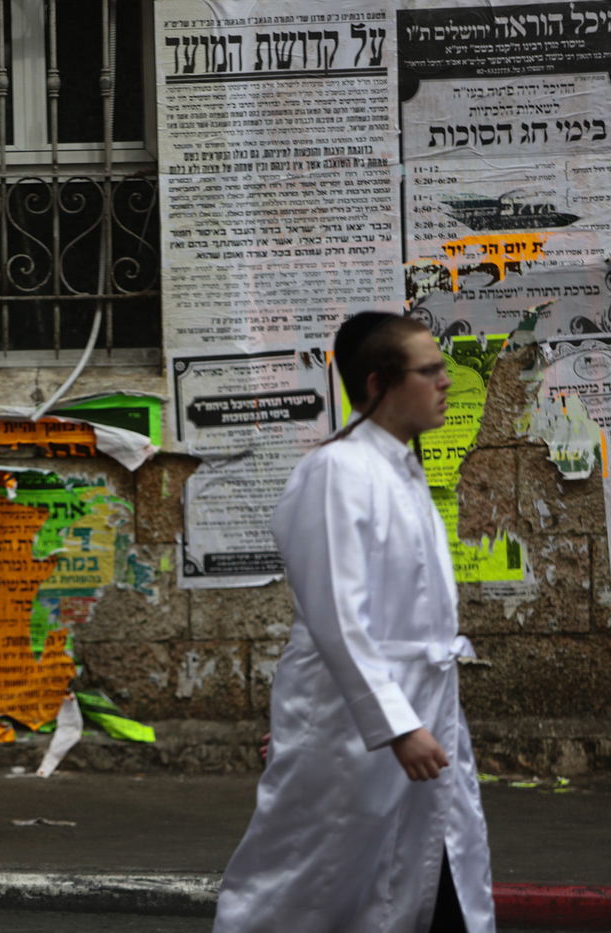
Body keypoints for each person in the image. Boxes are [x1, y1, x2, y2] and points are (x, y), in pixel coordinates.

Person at [212, 312, 495, 932]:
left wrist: (415, 721)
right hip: (357, 733)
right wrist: (396, 725)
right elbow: (337, 615)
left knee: (431, 872)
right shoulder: (336, 472)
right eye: (428, 370)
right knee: (314, 892)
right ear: (378, 384)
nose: (445, 381)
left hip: (417, 714)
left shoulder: (401, 469)